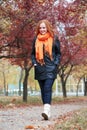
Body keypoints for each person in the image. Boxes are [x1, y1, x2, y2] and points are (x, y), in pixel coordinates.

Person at [31, 19, 61, 120]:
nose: (42, 29)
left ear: (47, 28)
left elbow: (58, 53)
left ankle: (46, 110)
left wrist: (55, 64)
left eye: (43, 27)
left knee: (47, 88)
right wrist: (34, 63)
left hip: (50, 68)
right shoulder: (36, 39)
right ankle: (47, 111)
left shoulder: (54, 38)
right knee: (43, 90)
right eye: (40, 28)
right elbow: (32, 54)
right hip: (39, 68)